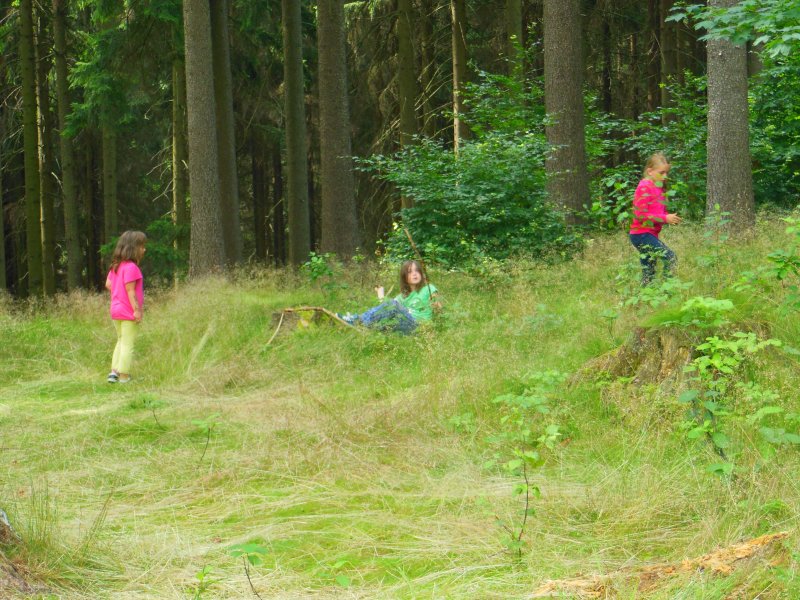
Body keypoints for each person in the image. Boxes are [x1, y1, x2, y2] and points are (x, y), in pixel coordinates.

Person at [341, 260, 439, 333]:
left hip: (418, 326)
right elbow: (386, 309)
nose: (414, 274)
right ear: (404, 277)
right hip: (405, 325)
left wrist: (436, 305)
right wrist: (380, 294)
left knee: (393, 305)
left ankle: (357, 321)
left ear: (421, 274)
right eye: (410, 272)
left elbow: (438, 306)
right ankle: (363, 326)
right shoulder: (402, 296)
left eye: (417, 271)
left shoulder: (428, 288)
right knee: (388, 316)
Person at [629, 153, 682, 285]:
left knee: (649, 270)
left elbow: (658, 211)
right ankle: (668, 289)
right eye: (661, 173)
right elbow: (640, 215)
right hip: (641, 234)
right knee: (670, 257)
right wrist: (665, 218)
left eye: (666, 172)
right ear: (650, 171)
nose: (665, 176)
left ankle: (647, 293)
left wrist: (670, 217)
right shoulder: (644, 187)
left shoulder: (659, 187)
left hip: (650, 234)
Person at [105, 230, 146, 383]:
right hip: (128, 311)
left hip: (115, 310)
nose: (144, 249)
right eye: (141, 246)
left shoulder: (116, 266)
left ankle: (114, 372)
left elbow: (108, 284)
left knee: (121, 340)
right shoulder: (131, 267)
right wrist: (137, 310)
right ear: (132, 248)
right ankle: (124, 376)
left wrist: (118, 293)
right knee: (128, 344)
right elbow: (131, 291)